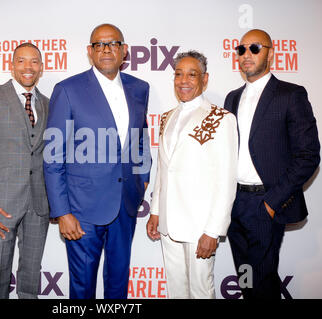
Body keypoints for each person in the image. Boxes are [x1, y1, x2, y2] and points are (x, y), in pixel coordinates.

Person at [43, 23, 151, 299]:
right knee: (82, 288)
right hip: (81, 210)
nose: (106, 49)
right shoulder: (68, 89)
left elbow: (140, 137)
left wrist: (142, 177)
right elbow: (53, 156)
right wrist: (62, 211)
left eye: (113, 43)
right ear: (89, 51)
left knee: (118, 285)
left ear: (124, 50)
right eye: (99, 44)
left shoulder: (140, 88)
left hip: (125, 205)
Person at [225, 29, 320, 299]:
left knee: (263, 281)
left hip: (265, 203)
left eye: (254, 48)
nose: (246, 55)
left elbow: (308, 154)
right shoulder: (232, 98)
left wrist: (271, 203)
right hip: (235, 203)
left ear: (271, 53)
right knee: (245, 276)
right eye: (241, 49)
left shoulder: (290, 94)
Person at [146, 51, 238, 298]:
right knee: (175, 289)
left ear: (205, 79)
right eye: (178, 74)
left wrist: (213, 229)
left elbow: (227, 180)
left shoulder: (221, 118)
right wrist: (155, 211)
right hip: (168, 222)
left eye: (191, 74)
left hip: (200, 225)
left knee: (200, 290)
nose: (183, 80)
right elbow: (163, 170)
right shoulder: (167, 117)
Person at [0, 42, 50, 299]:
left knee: (31, 276)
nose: (28, 67)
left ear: (42, 68)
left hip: (38, 205)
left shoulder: (49, 104)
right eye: (22, 61)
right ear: (11, 65)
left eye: (34, 61)